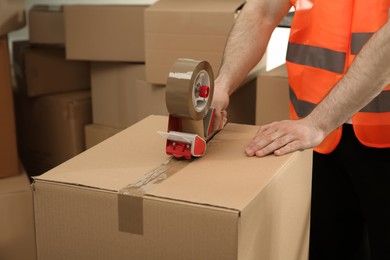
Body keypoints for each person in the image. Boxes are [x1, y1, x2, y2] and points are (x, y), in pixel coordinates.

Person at [212, 0, 390, 259]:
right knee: (327, 247)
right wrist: (223, 83)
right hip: (317, 141)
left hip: (376, 134)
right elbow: (262, 11)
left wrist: (318, 123)